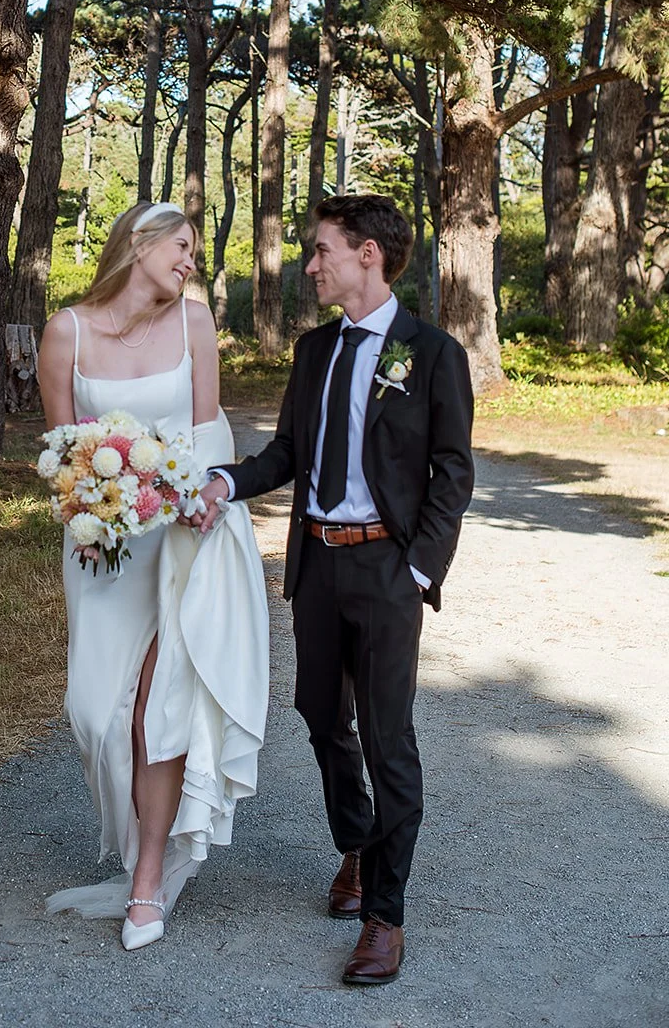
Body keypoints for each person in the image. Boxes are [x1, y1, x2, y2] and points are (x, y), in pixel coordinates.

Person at [196, 193, 474, 986]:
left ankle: (384, 917)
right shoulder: (314, 351)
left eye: (320, 251)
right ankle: (357, 842)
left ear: (367, 255)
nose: (309, 265)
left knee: (390, 742)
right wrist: (224, 480)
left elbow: (453, 471)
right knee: (322, 719)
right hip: (317, 567)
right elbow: (285, 452)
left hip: (388, 571)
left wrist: (418, 568)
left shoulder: (431, 351)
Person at [38, 201, 269, 951]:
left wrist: (192, 502)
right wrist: (95, 507)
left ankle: (146, 884)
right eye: (182, 245)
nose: (191, 260)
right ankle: (140, 842)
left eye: (195, 250)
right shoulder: (65, 332)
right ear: (138, 245)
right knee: (94, 712)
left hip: (181, 548)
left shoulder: (195, 323)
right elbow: (61, 456)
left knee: (156, 713)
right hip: (102, 550)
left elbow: (207, 436)